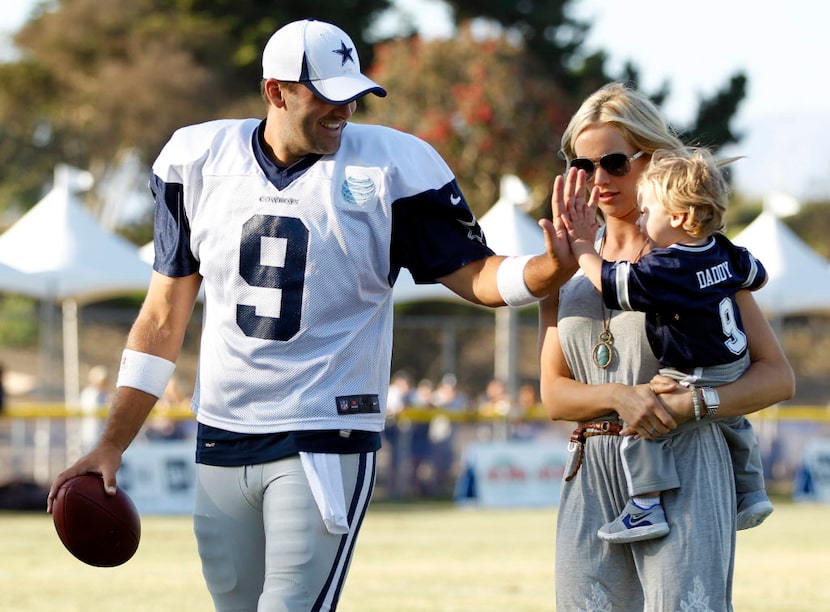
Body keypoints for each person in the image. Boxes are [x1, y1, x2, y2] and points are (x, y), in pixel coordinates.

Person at [47, 19, 569, 611]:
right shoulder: (197, 160)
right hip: (222, 432)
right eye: (326, 92)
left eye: (352, 92)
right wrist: (112, 443)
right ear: (276, 91)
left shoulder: (392, 165)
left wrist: (545, 273)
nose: (343, 108)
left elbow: (473, 273)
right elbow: (163, 317)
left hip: (325, 433)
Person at [537, 81, 794, 610]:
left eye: (613, 162)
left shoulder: (698, 257)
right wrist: (619, 397)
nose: (598, 180)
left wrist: (694, 403)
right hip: (591, 470)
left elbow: (776, 375)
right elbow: (556, 397)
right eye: (583, 167)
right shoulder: (567, 263)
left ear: (650, 160)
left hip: (685, 464)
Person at [562, 147, 773, 544]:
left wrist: (582, 249)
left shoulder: (669, 265)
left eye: (648, 210)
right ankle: (754, 491)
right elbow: (755, 275)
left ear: (676, 217)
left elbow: (613, 284)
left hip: (694, 368)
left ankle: (645, 505)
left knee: (642, 424)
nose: (641, 218)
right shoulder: (725, 249)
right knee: (734, 420)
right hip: (734, 362)